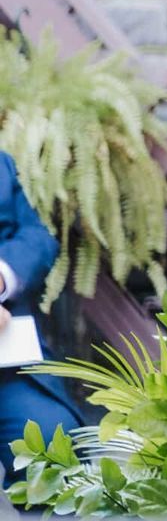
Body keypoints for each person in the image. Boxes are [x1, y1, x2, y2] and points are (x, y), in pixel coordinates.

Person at [0, 152, 84, 479]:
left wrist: (4, 273)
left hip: (7, 366)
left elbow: (37, 238)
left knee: (52, 445)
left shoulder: (3, 163)